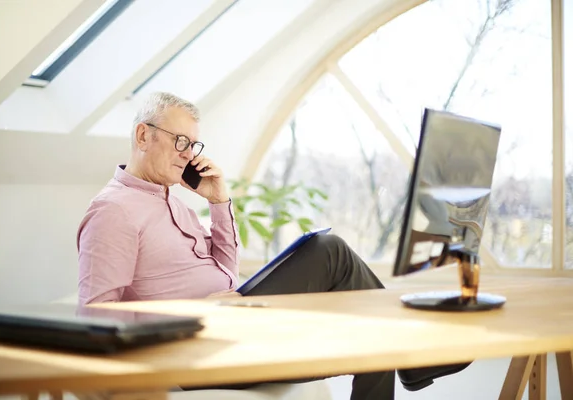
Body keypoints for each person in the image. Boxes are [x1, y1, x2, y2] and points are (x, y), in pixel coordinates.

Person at [77, 92, 467, 400]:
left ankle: (409, 354)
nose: (188, 154)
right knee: (327, 250)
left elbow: (226, 271)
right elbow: (98, 319)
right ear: (143, 136)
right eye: (180, 140)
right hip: (198, 349)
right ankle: (416, 353)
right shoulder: (113, 211)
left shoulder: (172, 198)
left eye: (193, 145)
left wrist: (218, 202)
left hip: (234, 325)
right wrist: (195, 313)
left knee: (371, 329)